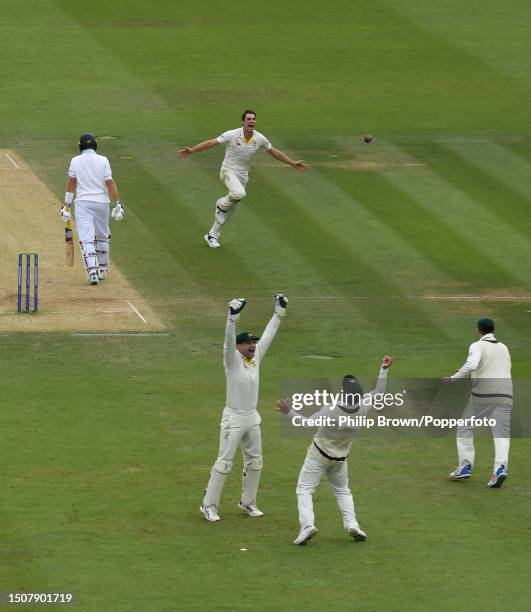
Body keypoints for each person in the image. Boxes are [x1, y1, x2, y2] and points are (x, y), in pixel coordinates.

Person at [276, 355, 393, 545]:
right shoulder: (363, 405)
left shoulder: (330, 409)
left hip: (318, 456)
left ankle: (307, 526)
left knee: (304, 490)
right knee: (343, 492)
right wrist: (384, 369)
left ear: (345, 393)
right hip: (340, 459)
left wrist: (288, 411)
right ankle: (352, 525)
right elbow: (379, 393)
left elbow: (306, 424)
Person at [200, 293, 288, 522]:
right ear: (239, 346)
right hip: (233, 418)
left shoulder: (256, 356)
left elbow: (269, 335)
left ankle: (248, 502)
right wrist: (232, 319)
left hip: (252, 417)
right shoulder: (231, 359)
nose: (252, 345)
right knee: (224, 463)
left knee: (256, 462)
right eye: (248, 343)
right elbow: (228, 342)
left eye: (253, 342)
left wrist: (279, 312)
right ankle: (208, 505)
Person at [178, 110, 307, 248]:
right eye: (248, 119)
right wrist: (192, 150)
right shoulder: (232, 134)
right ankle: (220, 204)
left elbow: (274, 152)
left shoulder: (259, 138)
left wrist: (292, 163)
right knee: (238, 195)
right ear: (243, 122)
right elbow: (211, 143)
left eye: (253, 119)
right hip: (228, 171)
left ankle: (212, 235)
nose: (251, 121)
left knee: (231, 209)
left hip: (243, 176)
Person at [443, 318, 512, 488]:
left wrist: (453, 379)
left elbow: (472, 364)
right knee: (501, 434)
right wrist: (468, 375)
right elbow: (496, 369)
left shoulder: (477, 345)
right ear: (493, 330)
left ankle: (465, 466)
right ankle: (500, 470)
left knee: (464, 427)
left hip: (483, 395)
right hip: (506, 394)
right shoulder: (504, 347)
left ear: (478, 330)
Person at [61, 133, 125, 285]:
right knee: (102, 236)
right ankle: (102, 270)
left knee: (87, 239)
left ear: (80, 146)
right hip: (102, 203)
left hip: (84, 202)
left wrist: (66, 205)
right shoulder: (103, 160)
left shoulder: (75, 161)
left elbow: (71, 184)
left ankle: (93, 273)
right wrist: (118, 204)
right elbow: (110, 183)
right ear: (95, 145)